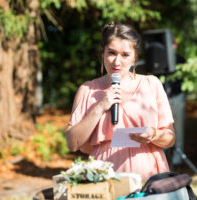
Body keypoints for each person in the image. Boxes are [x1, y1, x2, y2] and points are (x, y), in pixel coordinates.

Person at [65, 22, 175, 180]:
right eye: (111, 53)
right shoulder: (88, 89)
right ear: (102, 53)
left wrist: (153, 134)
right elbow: (72, 143)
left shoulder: (152, 84)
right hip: (104, 176)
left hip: (148, 175)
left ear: (135, 57)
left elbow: (170, 138)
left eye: (125, 55)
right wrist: (100, 106)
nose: (117, 61)